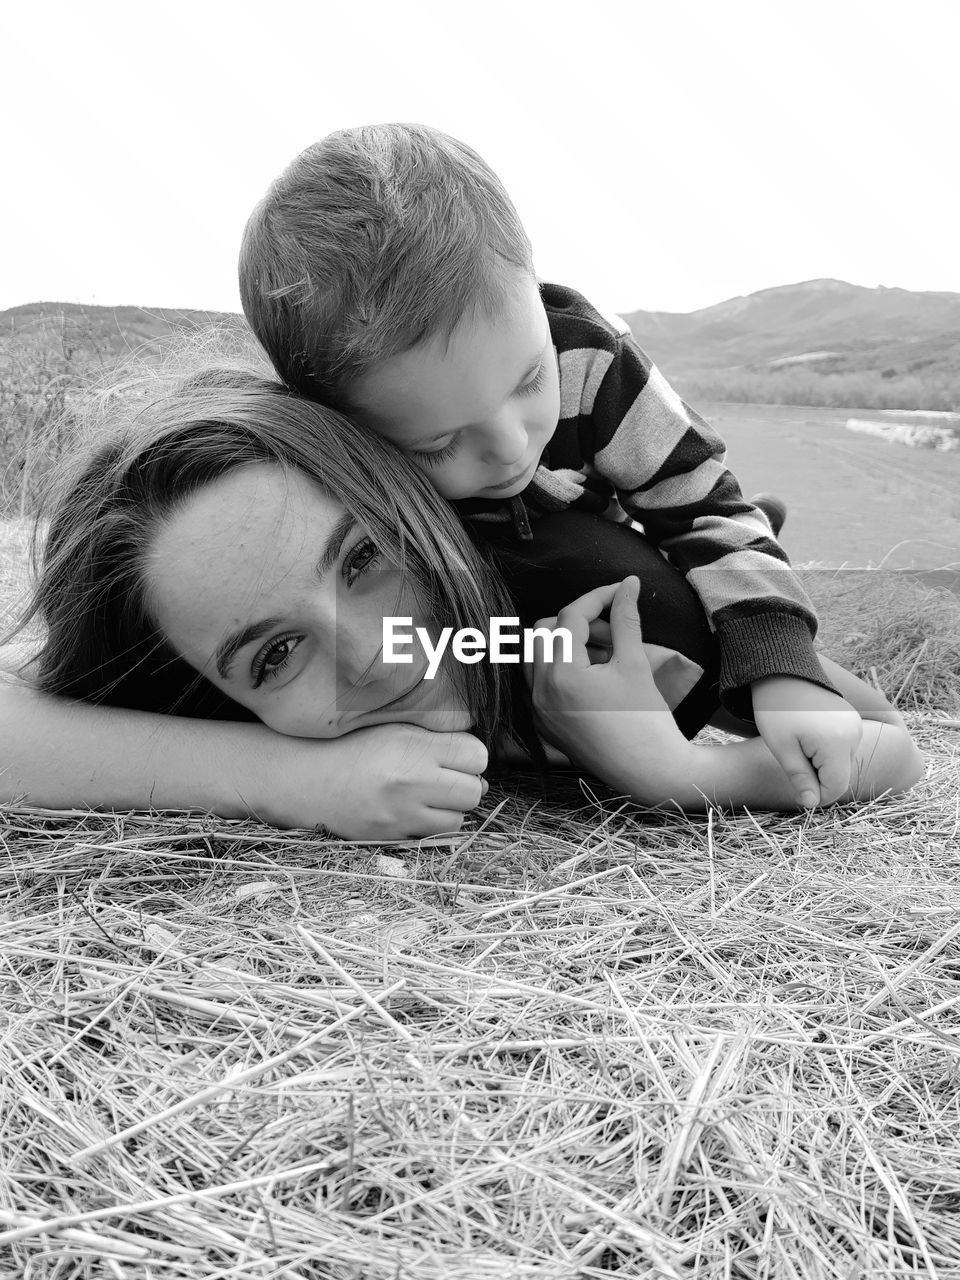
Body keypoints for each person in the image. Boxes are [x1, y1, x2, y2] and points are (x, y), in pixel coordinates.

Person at [0, 366, 922, 838]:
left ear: (411, 501)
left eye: (363, 559)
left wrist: (672, 772)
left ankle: (762, 525)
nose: (376, 655)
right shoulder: (208, 642)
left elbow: (889, 745)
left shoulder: (598, 610)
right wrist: (297, 784)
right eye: (273, 656)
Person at [238, 122, 867, 812]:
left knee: (706, 544)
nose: (509, 447)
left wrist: (783, 669)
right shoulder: (330, 459)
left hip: (607, 527)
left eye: (529, 380)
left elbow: (704, 499)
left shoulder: (592, 361)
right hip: (515, 575)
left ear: (532, 287)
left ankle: (725, 547)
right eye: (438, 443)